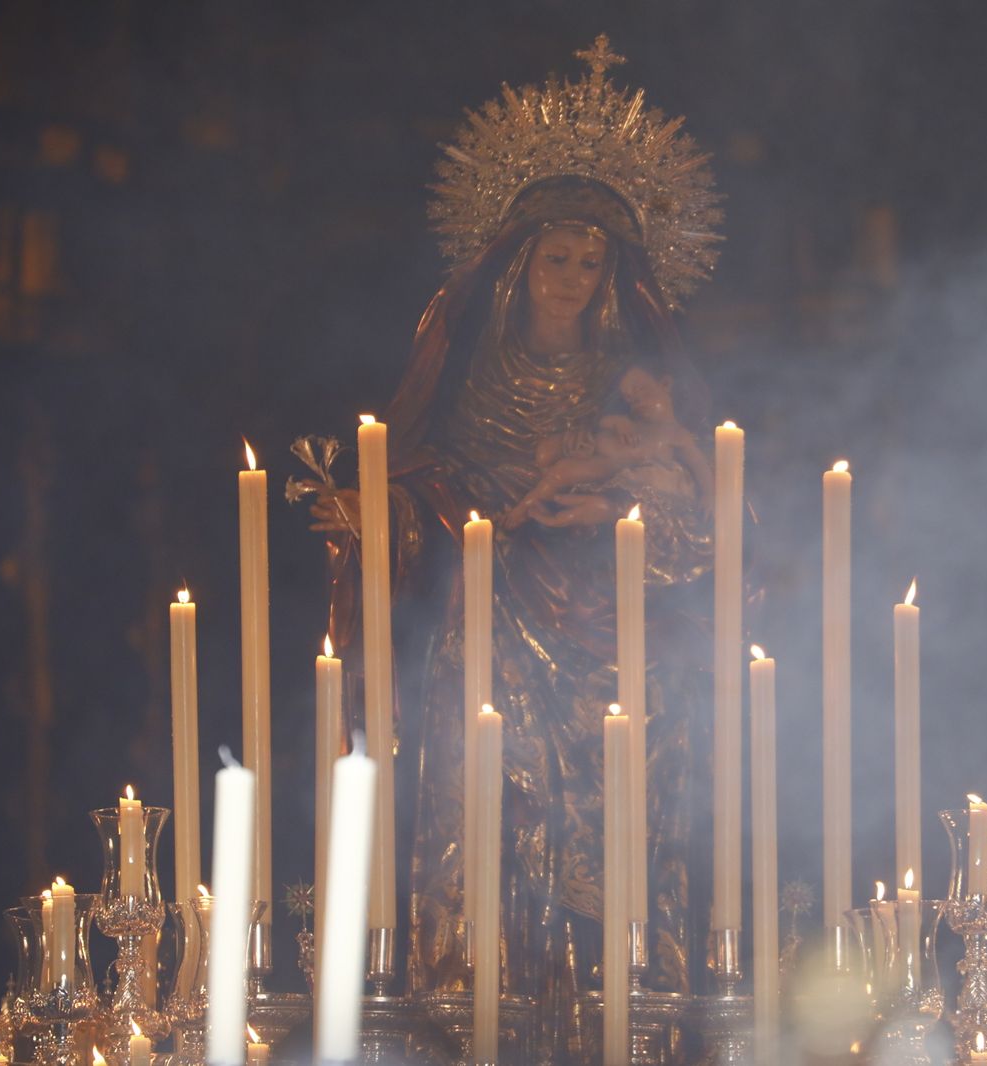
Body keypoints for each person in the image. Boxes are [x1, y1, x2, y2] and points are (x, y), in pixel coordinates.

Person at [304, 39, 722, 1058]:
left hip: (614, 647)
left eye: (591, 261)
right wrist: (381, 517)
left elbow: (701, 530)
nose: (573, 278)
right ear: (519, 265)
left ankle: (620, 1000)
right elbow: (417, 491)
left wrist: (630, 514)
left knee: (612, 828)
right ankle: (477, 998)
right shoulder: (462, 387)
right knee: (492, 810)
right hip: (487, 633)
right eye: (556, 257)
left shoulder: (637, 393)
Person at [502, 362, 714, 530]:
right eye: (628, 397)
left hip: (610, 467)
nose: (635, 399)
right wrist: (618, 423)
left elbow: (699, 465)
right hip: (592, 451)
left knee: (560, 473)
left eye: (640, 389)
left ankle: (528, 508)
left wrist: (709, 494)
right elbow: (603, 423)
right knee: (553, 466)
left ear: (665, 384)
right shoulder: (631, 422)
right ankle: (526, 505)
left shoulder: (677, 434)